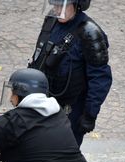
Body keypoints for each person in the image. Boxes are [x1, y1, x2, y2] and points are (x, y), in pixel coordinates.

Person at [28, 0, 112, 146]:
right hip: (44, 103)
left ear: (77, 4)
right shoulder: (51, 22)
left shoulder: (89, 32)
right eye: (55, 5)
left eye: (63, 5)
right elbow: (39, 57)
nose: (57, 10)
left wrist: (90, 114)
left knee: (63, 157)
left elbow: (100, 77)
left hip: (69, 110)